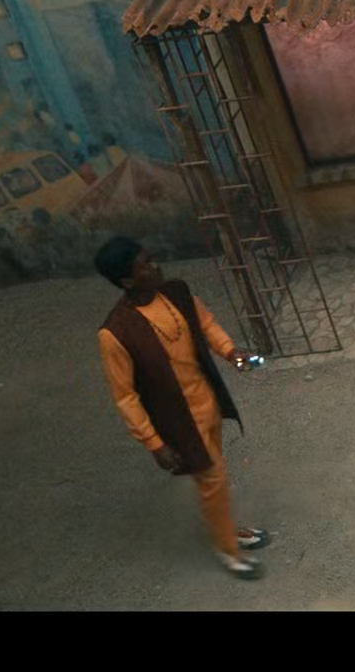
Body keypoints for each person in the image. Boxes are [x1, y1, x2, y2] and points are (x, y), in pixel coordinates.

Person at [93, 236, 271, 580]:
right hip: (180, 423)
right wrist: (154, 443)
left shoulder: (176, 292)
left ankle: (227, 529)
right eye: (145, 265)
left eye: (151, 258)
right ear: (127, 281)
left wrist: (230, 351)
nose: (155, 266)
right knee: (213, 479)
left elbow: (206, 324)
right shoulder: (115, 333)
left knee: (215, 476)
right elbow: (125, 397)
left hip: (209, 404)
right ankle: (227, 550)